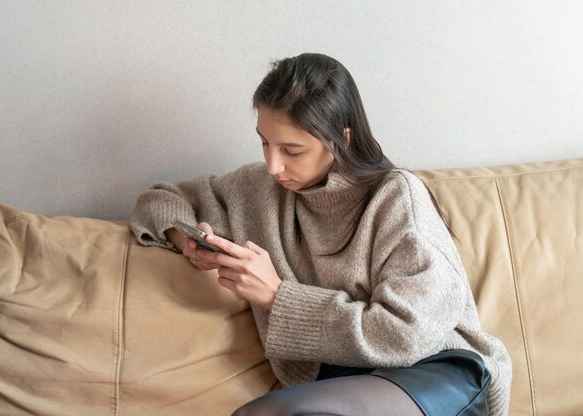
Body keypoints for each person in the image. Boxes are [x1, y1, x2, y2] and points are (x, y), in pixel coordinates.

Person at [130, 53, 512, 416]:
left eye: (292, 150)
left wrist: (277, 296)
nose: (273, 165)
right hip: (342, 380)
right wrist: (190, 242)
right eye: (265, 141)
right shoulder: (256, 189)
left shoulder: (395, 197)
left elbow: (405, 334)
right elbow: (162, 198)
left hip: (434, 370)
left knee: (274, 413)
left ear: (340, 139)